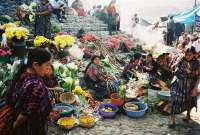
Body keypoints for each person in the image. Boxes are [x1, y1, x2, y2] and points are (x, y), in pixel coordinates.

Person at [2, 48, 54, 135]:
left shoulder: (24, 72)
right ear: (35, 65)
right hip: (30, 126)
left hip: (18, 117)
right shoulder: (36, 85)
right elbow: (26, 113)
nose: (49, 69)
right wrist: (15, 125)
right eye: (47, 65)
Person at [169, 47, 199, 128]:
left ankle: (188, 115)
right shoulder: (181, 59)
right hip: (178, 83)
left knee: (189, 100)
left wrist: (195, 88)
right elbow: (174, 68)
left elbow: (198, 76)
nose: (187, 56)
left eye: (190, 55)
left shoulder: (197, 63)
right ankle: (172, 119)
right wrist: (174, 65)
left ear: (194, 54)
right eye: (186, 54)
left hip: (190, 85)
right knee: (174, 98)